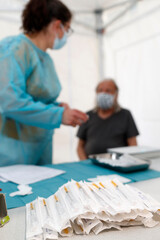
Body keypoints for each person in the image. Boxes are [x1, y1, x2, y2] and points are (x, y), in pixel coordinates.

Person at [0, 0, 88, 166]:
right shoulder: (13, 49)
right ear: (57, 25)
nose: (65, 35)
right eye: (67, 29)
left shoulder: (45, 58)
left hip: (40, 148)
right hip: (12, 154)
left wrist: (56, 106)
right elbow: (9, 102)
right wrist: (58, 115)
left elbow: (36, 99)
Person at [77, 79, 139, 160]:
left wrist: (129, 162)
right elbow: (80, 146)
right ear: (96, 93)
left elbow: (133, 144)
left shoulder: (125, 115)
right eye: (100, 90)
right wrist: (85, 163)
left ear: (116, 95)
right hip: (92, 164)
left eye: (108, 90)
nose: (103, 93)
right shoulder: (87, 116)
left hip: (117, 165)